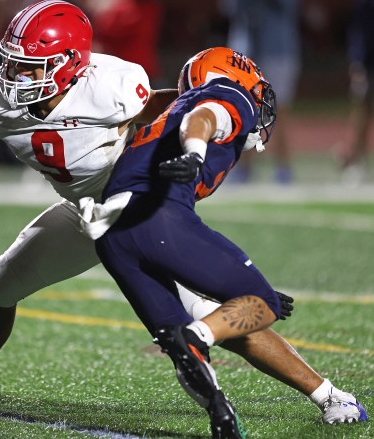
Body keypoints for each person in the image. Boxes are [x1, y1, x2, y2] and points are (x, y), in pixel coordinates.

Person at [0, 0, 367, 424]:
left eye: (29, 66)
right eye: (12, 63)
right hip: (82, 211)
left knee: (207, 316)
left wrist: (217, 116)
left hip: (134, 208)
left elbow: (171, 109)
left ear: (70, 64)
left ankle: (327, 394)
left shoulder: (112, 85)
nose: (15, 76)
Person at [80, 46, 367, 436]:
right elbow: (204, 118)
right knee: (259, 305)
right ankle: (196, 335)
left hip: (111, 236)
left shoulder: (171, 113)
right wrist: (196, 153)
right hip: (155, 218)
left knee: (185, 351)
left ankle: (221, 415)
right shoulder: (231, 95)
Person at [219, 0, 300, 184]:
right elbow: (228, 7)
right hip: (245, 50)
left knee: (277, 108)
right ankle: (243, 168)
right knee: (243, 108)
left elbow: (289, 4)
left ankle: (283, 167)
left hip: (277, 49)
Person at [342, 0, 374, 184]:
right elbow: (358, 31)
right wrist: (356, 63)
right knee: (362, 112)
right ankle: (354, 161)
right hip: (369, 63)